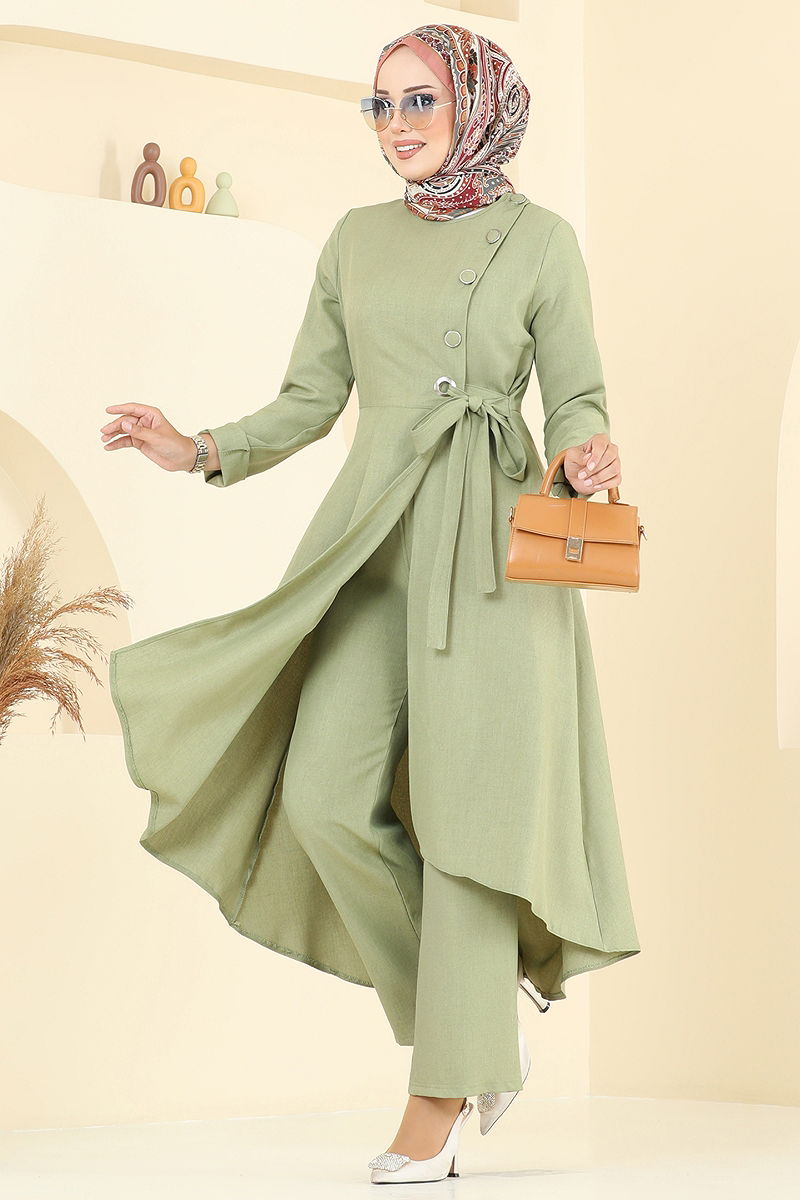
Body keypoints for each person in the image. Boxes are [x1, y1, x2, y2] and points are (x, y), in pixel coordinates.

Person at [102, 22, 640, 1186]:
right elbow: (310, 397)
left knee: (467, 820)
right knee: (321, 794)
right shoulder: (353, 241)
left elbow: (578, 392)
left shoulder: (542, 241)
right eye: (380, 105)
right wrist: (197, 446)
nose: (395, 126)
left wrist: (585, 450)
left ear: (477, 106)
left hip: (492, 549)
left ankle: (439, 1093)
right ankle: (474, 1020)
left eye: (419, 101)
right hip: (370, 540)